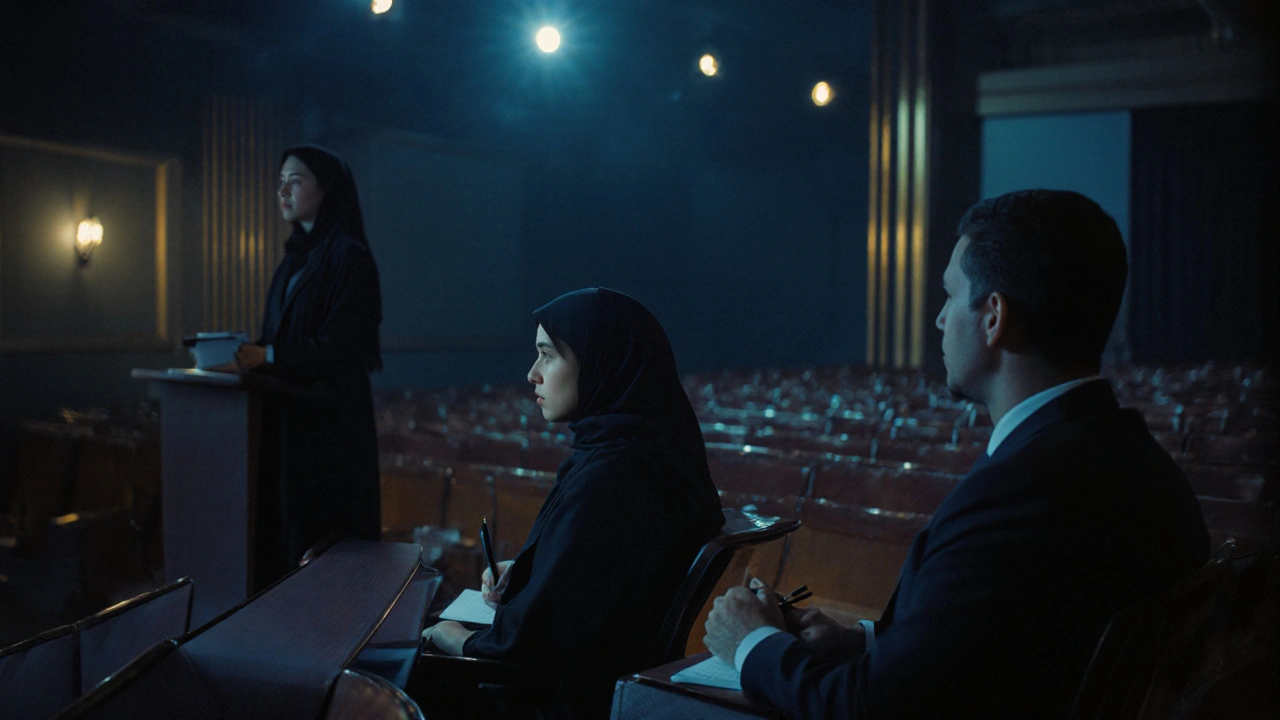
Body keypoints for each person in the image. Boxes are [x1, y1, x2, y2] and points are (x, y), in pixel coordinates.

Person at [704, 189, 1210, 719]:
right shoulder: (1139, 460)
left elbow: (869, 710)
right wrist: (871, 644)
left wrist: (752, 642)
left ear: (993, 317)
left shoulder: (1021, 494)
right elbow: (1031, 645)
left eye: (949, 296)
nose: (941, 320)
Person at [420, 287, 725, 718]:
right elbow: (601, 583)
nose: (532, 373)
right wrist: (534, 570)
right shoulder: (644, 454)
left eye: (548, 355)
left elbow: (534, 644)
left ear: (602, 362)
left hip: (566, 700)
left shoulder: (614, 480)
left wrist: (457, 639)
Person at [230, 144, 383, 586]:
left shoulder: (349, 256)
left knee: (322, 542)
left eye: (295, 181)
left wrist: (271, 356)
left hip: (329, 426)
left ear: (327, 189)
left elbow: (342, 346)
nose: (283, 192)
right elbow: (274, 336)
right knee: (285, 541)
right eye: (280, 182)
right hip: (287, 420)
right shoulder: (293, 259)